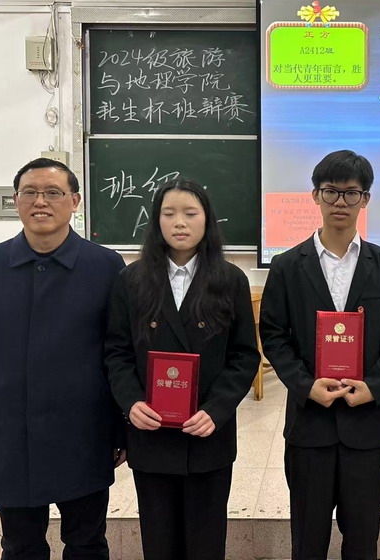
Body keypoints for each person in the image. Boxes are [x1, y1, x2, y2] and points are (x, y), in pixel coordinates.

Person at [0, 157, 126, 559]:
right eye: (29, 192)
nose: (40, 201)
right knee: (20, 545)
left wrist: (121, 432)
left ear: (75, 201)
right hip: (7, 437)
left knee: (87, 543)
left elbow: (118, 355)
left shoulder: (105, 266)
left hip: (83, 434)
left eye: (53, 192)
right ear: (16, 200)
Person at [259, 150, 380, 560]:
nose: (340, 202)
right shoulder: (287, 266)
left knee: (362, 540)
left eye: (351, 193)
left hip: (365, 426)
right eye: (331, 191)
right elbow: (274, 336)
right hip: (309, 426)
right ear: (315, 195)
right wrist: (305, 385)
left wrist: (375, 387)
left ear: (366, 199)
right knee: (307, 539)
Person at [104, 177, 259, 560]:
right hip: (151, 435)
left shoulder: (230, 280)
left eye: (190, 213)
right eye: (169, 213)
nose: (179, 222)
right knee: (159, 542)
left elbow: (244, 356)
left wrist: (216, 410)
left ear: (207, 220)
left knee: (207, 544)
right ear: (156, 220)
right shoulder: (131, 280)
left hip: (208, 436)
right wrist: (131, 402)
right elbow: (117, 352)